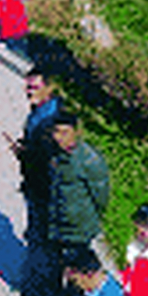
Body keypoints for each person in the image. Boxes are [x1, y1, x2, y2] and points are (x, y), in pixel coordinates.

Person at [7, 71, 64, 280]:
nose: (27, 92)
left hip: (43, 190)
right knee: (37, 235)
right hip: (35, 185)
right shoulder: (42, 108)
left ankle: (42, 282)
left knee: (42, 237)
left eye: (33, 88)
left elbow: (48, 159)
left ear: (48, 88)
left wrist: (25, 155)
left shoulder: (51, 121)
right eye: (27, 86)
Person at [44, 112, 111, 286]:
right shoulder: (55, 155)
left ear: (76, 132)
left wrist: (88, 218)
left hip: (79, 228)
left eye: (64, 132)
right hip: (58, 223)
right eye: (55, 132)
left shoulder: (90, 160)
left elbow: (101, 196)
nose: (58, 137)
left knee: (81, 267)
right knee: (60, 263)